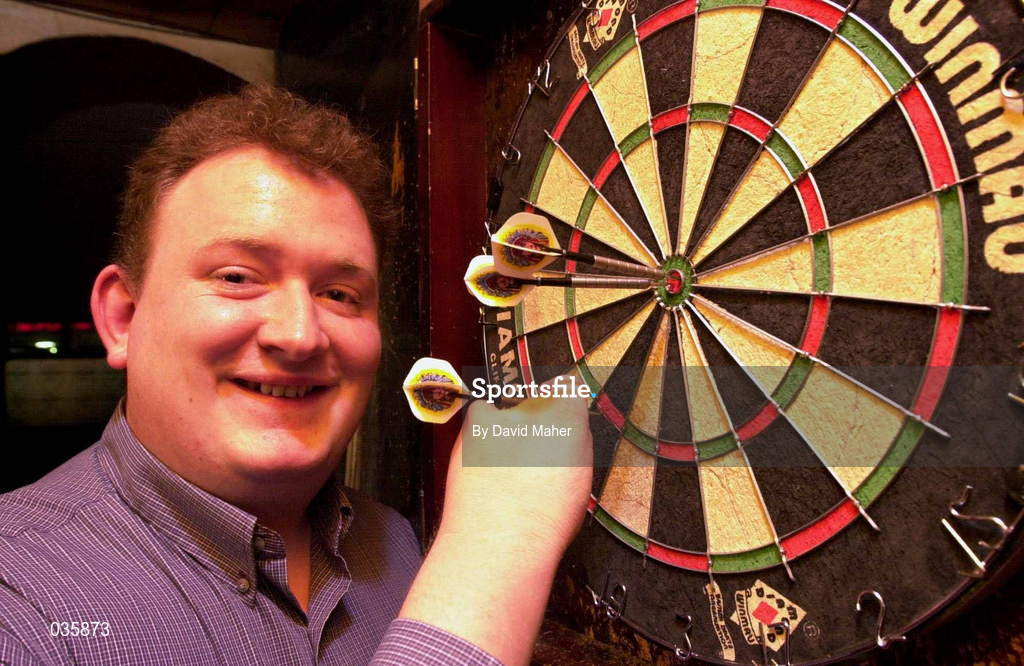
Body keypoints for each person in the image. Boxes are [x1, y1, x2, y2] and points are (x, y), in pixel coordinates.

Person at [0, 85, 593, 666]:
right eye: (236, 277)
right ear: (123, 318)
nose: (301, 334)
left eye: (339, 293)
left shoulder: (393, 542)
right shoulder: (18, 599)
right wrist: (495, 545)